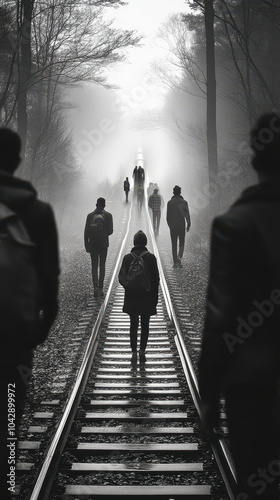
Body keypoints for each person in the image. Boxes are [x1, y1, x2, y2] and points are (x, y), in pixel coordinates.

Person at [199, 112, 280, 500]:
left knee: (258, 484)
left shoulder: (234, 225)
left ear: (253, 161)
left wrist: (209, 394)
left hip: (253, 385)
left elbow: (221, 317)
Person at [0, 128, 59, 500]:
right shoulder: (37, 211)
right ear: (19, 160)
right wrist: (38, 329)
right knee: (8, 413)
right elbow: (49, 279)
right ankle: (6, 484)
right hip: (14, 332)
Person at [118, 230, 159, 363]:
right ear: (145, 242)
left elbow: (121, 278)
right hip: (146, 297)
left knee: (133, 324)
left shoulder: (127, 257)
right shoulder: (151, 258)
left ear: (135, 242)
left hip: (132, 297)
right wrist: (154, 299)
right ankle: (142, 352)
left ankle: (134, 353)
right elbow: (155, 280)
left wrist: (129, 287)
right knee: (145, 324)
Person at [84, 197, 113, 297]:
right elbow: (110, 231)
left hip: (92, 243)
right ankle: (101, 287)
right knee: (102, 265)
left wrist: (86, 245)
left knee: (94, 265)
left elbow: (86, 231)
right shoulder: (108, 216)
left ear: (96, 205)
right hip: (103, 243)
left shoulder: (90, 216)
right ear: (104, 205)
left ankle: (95, 287)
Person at [166, 185, 191, 268]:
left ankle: (175, 262)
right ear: (180, 192)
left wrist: (170, 225)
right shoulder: (184, 202)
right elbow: (187, 215)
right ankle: (179, 257)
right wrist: (188, 224)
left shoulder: (170, 203)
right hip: (181, 225)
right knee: (182, 242)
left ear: (173, 192)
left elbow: (168, 216)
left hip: (173, 225)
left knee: (174, 244)